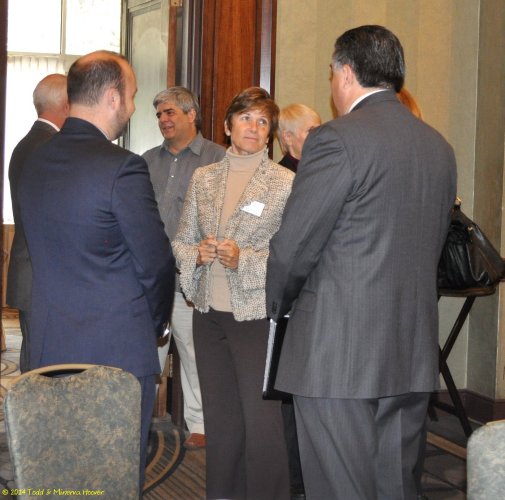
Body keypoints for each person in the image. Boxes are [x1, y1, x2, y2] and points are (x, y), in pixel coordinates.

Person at [266, 25, 457, 500]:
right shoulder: (438, 147)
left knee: (340, 489)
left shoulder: (335, 139)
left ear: (346, 73)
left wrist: (278, 307)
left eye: (331, 73)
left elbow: (295, 246)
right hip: (410, 351)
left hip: (337, 355)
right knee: (396, 487)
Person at [17, 51, 175, 493]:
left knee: (60, 475)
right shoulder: (122, 167)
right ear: (112, 97)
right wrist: (157, 324)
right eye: (132, 96)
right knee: (114, 480)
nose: (133, 106)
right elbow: (156, 261)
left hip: (48, 346)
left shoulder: (33, 160)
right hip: (115, 354)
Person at [173, 87, 293, 500]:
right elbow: (181, 241)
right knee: (221, 419)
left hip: (255, 317)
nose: (254, 128)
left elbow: (292, 256)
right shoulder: (203, 178)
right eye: (246, 118)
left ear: (270, 133)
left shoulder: (285, 183)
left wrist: (246, 259)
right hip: (208, 315)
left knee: (262, 422)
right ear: (227, 126)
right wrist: (197, 254)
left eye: (263, 122)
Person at [142, 87, 225, 449]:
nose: (163, 120)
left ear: (192, 115)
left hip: (195, 279)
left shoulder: (218, 158)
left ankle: (200, 424)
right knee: (147, 356)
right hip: (153, 280)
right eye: (159, 114)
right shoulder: (147, 161)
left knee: (194, 354)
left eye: (170, 112)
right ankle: (137, 422)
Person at [6, 74, 69, 373]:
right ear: (67, 105)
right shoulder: (51, 148)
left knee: (36, 363)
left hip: (32, 274)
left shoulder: (28, 144)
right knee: (42, 371)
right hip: (44, 276)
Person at [277, 103, 321, 173]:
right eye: (310, 130)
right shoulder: (280, 175)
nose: (319, 135)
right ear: (288, 137)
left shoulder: (324, 166)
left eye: (319, 130)